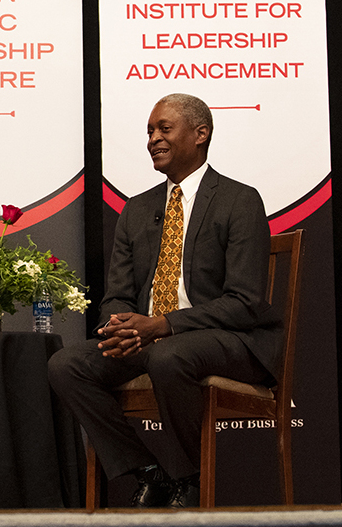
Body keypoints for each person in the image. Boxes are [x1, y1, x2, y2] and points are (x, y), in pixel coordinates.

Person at [48, 93, 281, 508]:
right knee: (66, 365)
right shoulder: (137, 210)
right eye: (150, 132)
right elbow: (117, 294)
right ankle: (149, 471)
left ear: (200, 134)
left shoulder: (239, 200)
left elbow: (245, 301)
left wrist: (162, 325)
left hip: (226, 340)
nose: (154, 138)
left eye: (164, 129)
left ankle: (187, 480)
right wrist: (119, 328)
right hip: (152, 340)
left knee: (168, 356)